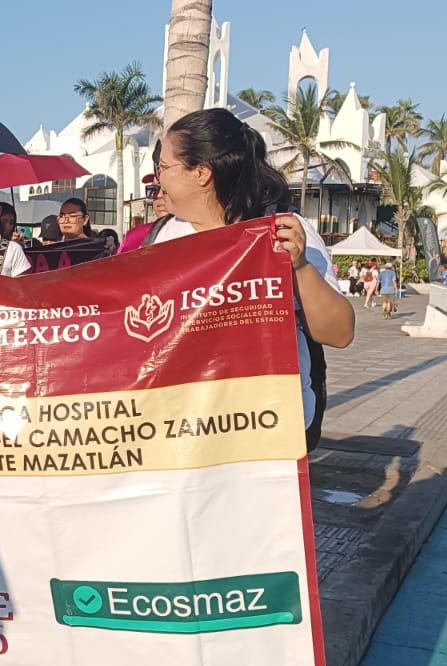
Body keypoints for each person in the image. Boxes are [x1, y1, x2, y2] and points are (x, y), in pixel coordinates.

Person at [148, 107, 354, 433]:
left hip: (266, 432)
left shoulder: (283, 231)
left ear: (201, 173)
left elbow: (339, 333)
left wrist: (299, 266)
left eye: (165, 167)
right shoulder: (162, 236)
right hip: (183, 431)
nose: (159, 178)